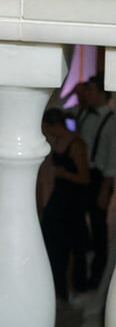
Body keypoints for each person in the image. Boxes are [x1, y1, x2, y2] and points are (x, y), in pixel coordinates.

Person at [39, 108, 90, 301]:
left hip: (71, 200)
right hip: (58, 197)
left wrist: (64, 174)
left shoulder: (76, 144)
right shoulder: (56, 141)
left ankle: (70, 287)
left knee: (68, 244)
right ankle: (58, 287)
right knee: (53, 243)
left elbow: (85, 177)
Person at [74, 75, 115, 292]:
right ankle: (81, 273)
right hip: (81, 175)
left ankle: (98, 277)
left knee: (99, 228)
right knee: (80, 224)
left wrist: (105, 189)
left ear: (101, 92)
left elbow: (111, 160)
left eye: (89, 90)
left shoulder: (111, 120)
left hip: (99, 178)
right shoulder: (82, 112)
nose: (85, 94)